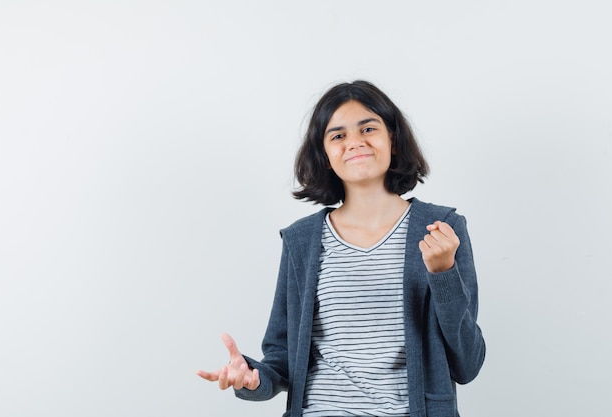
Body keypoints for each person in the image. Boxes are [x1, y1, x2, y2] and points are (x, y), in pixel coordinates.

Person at [197, 80, 485, 417]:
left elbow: (468, 363)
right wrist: (252, 378)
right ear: (325, 155)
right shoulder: (301, 240)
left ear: (392, 137)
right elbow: (282, 360)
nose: (355, 142)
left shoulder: (441, 228)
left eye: (368, 128)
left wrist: (443, 274)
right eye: (338, 135)